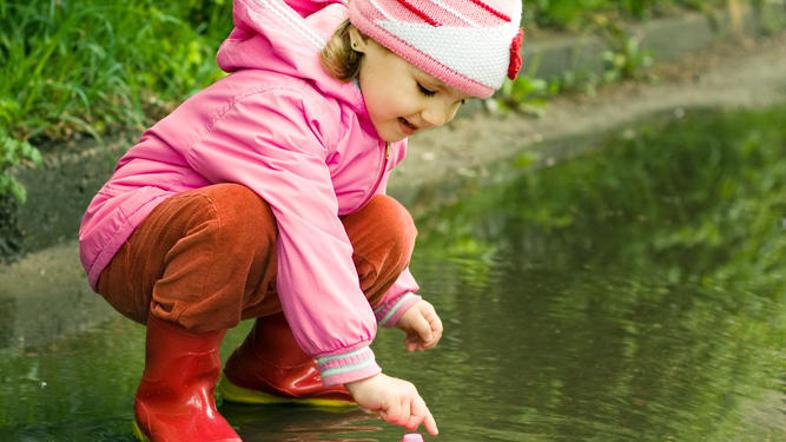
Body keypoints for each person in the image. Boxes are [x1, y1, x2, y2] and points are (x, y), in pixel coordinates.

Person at [78, 0, 523, 440]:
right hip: (137, 243)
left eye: (458, 103)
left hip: (232, 253)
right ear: (362, 38)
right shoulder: (282, 107)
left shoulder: (374, 117)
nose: (437, 117)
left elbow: (346, 214)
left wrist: (395, 294)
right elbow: (313, 233)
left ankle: (276, 371)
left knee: (386, 222)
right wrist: (358, 369)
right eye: (427, 89)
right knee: (238, 216)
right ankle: (172, 398)